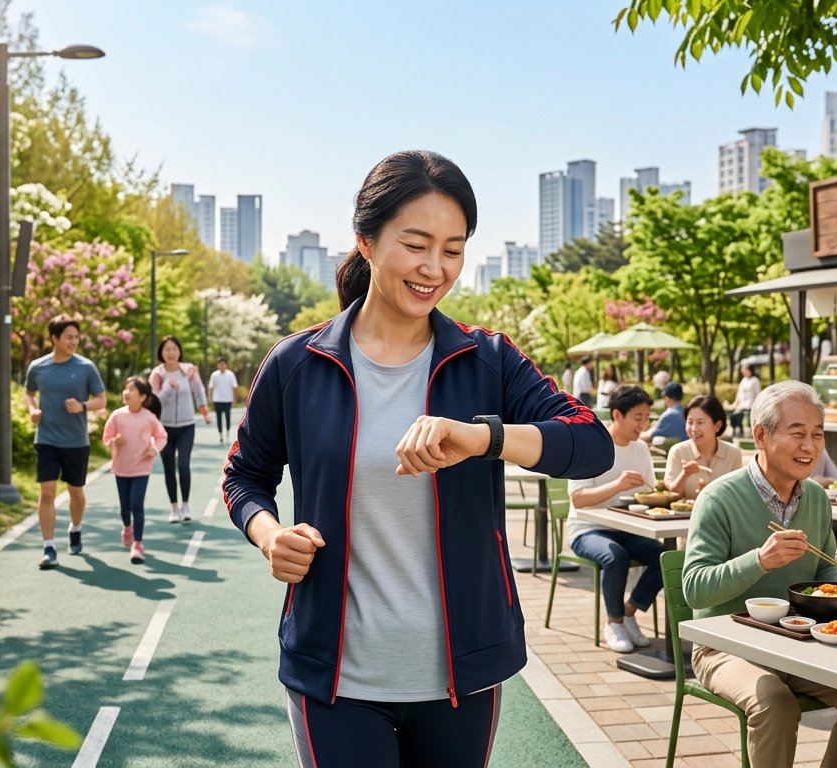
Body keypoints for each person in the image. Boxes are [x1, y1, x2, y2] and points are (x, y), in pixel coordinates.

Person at [222, 150, 613, 768]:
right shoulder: (296, 365)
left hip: (462, 676)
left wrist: (482, 436)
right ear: (367, 243)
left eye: (453, 250)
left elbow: (591, 442)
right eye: (416, 244)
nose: (435, 268)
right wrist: (270, 536)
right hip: (334, 676)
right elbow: (245, 476)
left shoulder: (488, 360)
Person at [684, 381, 837, 768]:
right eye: (798, 433)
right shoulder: (718, 498)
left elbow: (824, 569)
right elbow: (695, 591)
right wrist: (760, 560)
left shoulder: (818, 498)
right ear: (761, 436)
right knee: (775, 704)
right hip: (725, 645)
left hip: (795, 641)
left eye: (817, 434)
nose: (810, 446)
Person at [567, 384, 666, 653]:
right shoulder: (590, 445)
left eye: (647, 418)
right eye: (638, 418)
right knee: (616, 556)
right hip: (587, 530)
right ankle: (613, 623)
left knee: (666, 557)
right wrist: (617, 485)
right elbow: (578, 499)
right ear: (617, 415)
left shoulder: (641, 449)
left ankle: (628, 612)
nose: (643, 425)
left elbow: (649, 491)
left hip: (627, 527)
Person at [24, 316, 107, 569]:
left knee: (76, 493)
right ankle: (49, 547)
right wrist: (32, 411)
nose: (74, 342)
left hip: (75, 441)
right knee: (47, 492)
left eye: (76, 337)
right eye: (69, 337)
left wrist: (82, 406)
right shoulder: (38, 367)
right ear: (54, 339)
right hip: (46, 439)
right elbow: (29, 392)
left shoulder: (85, 367)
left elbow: (101, 400)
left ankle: (76, 528)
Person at [103, 377, 168, 565]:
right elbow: (106, 438)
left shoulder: (149, 417)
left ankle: (138, 544)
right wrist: (114, 441)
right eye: (126, 388)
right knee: (125, 507)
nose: (126, 392)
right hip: (121, 468)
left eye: (132, 390)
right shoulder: (117, 416)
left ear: (142, 397)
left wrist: (154, 449)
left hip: (141, 468)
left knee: (136, 504)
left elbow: (162, 436)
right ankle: (127, 527)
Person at [150, 336, 210, 523]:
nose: (171, 353)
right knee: (169, 468)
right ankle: (174, 507)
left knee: (183, 465)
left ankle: (185, 505)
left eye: (174, 349)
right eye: (167, 349)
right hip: (164, 428)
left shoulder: (188, 371)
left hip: (186, 425)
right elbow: (153, 401)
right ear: (161, 352)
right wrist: (168, 389)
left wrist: (204, 410)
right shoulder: (157, 374)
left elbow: (199, 390)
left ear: (179, 352)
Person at [664, 394, 742, 499]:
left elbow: (736, 496)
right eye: (690, 422)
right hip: (684, 515)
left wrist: (708, 497)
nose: (694, 429)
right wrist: (684, 474)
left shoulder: (733, 454)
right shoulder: (678, 451)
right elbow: (671, 495)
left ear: (717, 426)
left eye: (700, 422)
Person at [209, 356, 238, 444]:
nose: (221, 366)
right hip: (217, 399)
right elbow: (211, 387)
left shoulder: (230, 374)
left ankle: (228, 432)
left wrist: (235, 398)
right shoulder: (214, 375)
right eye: (220, 364)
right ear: (218, 365)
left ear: (226, 365)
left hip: (227, 399)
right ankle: (220, 434)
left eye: (223, 364)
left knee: (227, 416)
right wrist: (209, 397)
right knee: (218, 417)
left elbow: (235, 387)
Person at [729, 364, 762, 438]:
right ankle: (738, 433)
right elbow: (739, 395)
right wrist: (734, 405)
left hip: (750, 406)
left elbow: (757, 394)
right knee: (734, 416)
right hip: (742, 406)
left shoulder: (755, 380)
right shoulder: (743, 380)